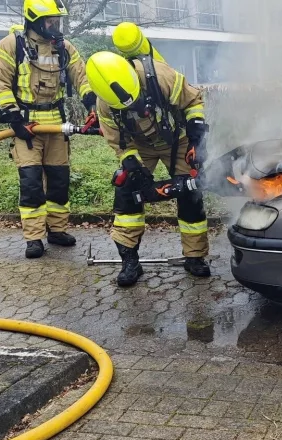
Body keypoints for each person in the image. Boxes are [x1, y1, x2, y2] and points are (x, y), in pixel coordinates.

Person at [85, 46, 211, 287]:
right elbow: (116, 139)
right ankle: (130, 261)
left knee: (191, 191)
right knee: (127, 193)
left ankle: (194, 257)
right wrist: (131, 162)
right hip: (139, 144)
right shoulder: (105, 105)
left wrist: (196, 134)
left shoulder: (159, 76)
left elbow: (193, 99)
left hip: (177, 139)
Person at [0, 0, 96, 258]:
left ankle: (57, 230)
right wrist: (15, 121)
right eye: (51, 21)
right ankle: (34, 238)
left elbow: (81, 77)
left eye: (57, 20)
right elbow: (0, 83)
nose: (56, 25)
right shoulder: (12, 46)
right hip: (26, 127)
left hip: (56, 125)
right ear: (35, 20)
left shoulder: (64, 47)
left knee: (59, 180)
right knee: (31, 183)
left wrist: (92, 104)